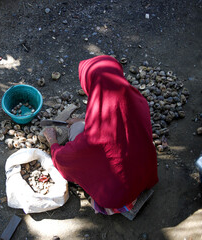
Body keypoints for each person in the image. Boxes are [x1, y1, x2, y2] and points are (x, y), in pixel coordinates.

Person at [43, 55, 158, 215]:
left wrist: (53, 143)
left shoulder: (96, 134)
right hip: (146, 176)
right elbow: (118, 121)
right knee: (81, 125)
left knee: (76, 130)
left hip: (117, 195)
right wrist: (85, 120)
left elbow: (70, 157)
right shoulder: (138, 101)